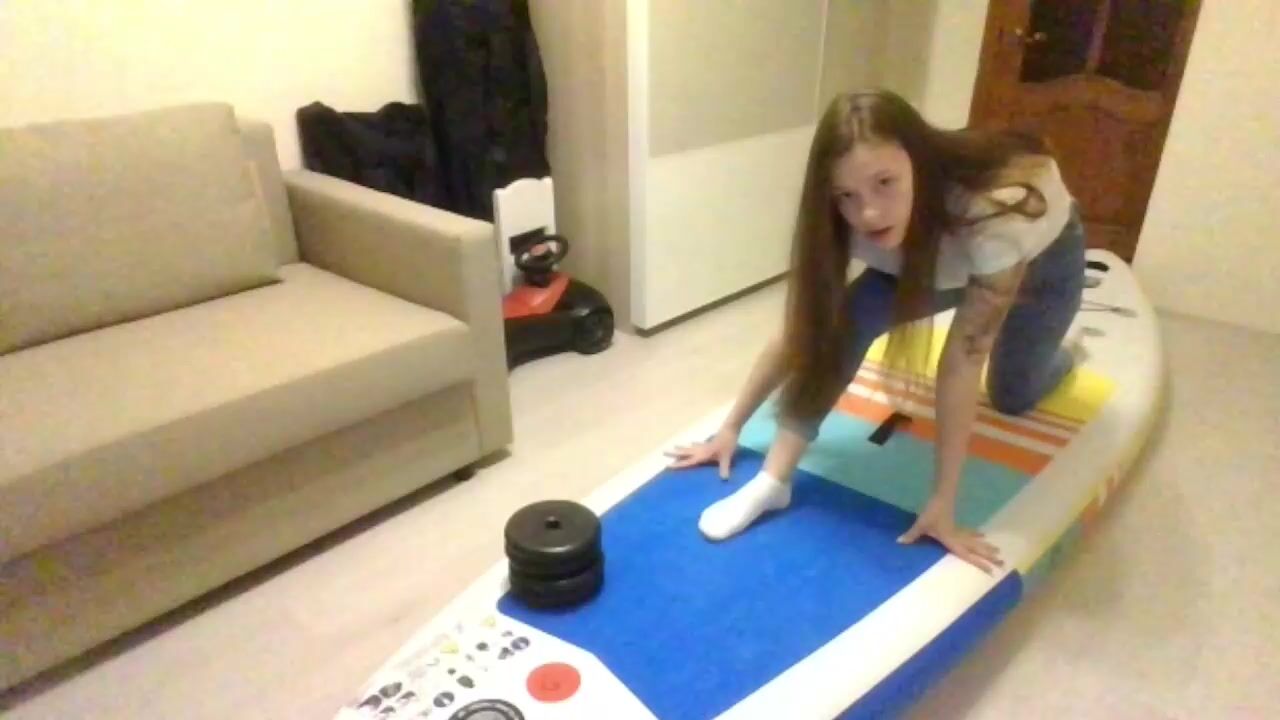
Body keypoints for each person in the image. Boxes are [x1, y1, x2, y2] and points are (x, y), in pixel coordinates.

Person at [666, 89, 1086, 573]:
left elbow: (963, 359)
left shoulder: (994, 212)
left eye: (885, 182)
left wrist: (943, 507)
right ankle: (773, 481)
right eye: (847, 195)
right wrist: (731, 427)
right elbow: (805, 328)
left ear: (918, 163)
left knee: (1013, 392)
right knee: (846, 324)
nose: (868, 213)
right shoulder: (843, 217)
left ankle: (1067, 351)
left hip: (1041, 258)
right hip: (932, 257)